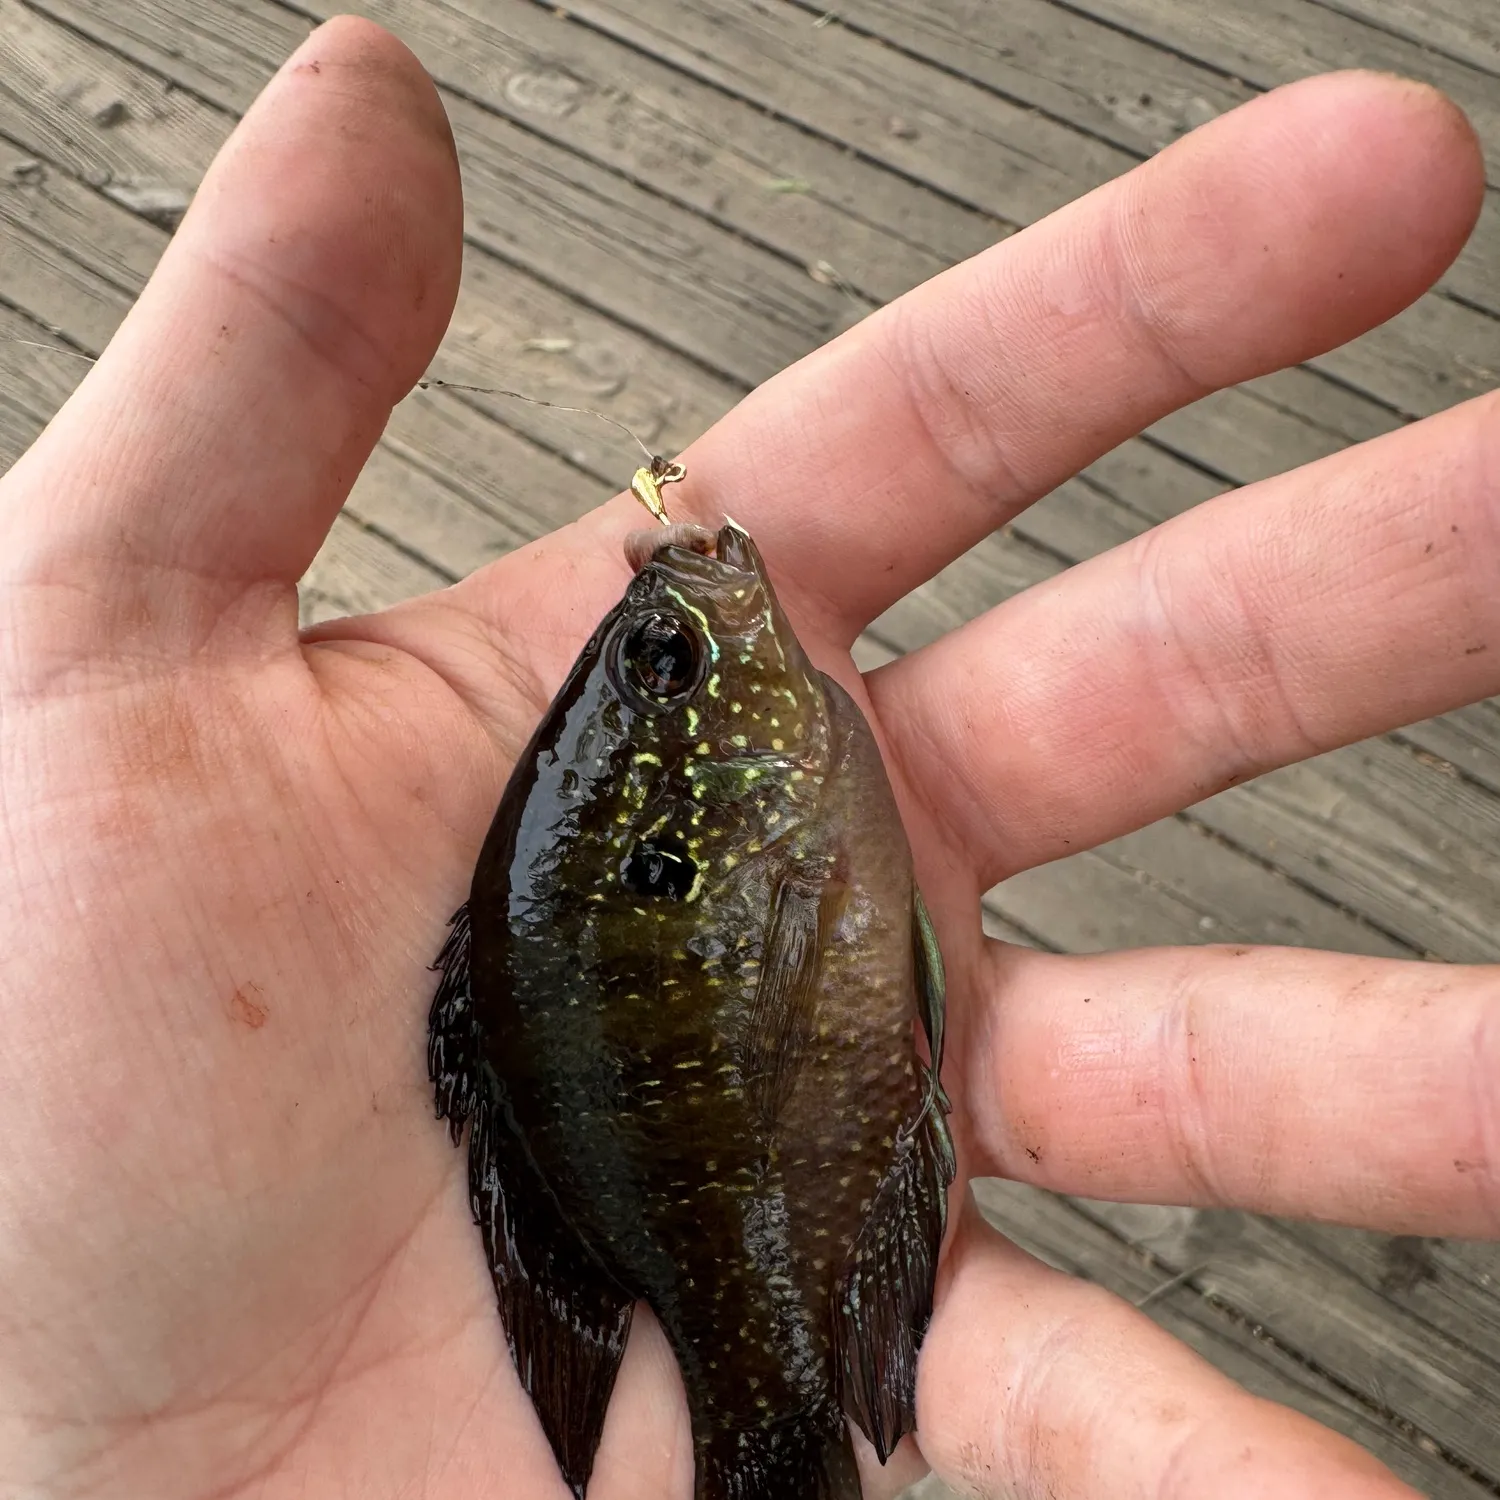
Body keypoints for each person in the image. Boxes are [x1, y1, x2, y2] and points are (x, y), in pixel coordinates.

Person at [0, 16, 1491, 1500]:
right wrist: (656, 491)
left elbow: (669, 485)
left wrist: (659, 490)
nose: (680, 611)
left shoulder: (688, 554)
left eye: (660, 655)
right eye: (664, 659)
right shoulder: (695, 602)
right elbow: (665, 492)